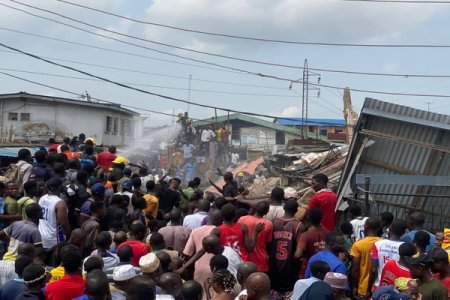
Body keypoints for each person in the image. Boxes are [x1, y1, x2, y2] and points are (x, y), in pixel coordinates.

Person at [181, 210, 223, 300]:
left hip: (199, 270)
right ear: (219, 219)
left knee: (199, 294)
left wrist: (188, 266)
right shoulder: (219, 230)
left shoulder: (196, 231)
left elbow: (187, 252)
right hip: (215, 269)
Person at [269, 199, 303, 297]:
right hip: (289, 267)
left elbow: (268, 244)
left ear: (284, 208)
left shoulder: (273, 222)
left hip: (273, 265)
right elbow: (298, 251)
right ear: (296, 210)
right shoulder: (299, 226)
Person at [370, 219, 407, 290]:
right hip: (396, 289)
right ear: (403, 233)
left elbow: (373, 270)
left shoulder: (378, 244)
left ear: (390, 228)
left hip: (378, 287)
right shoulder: (405, 247)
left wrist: (369, 288)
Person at [350, 216, 382, 298]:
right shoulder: (383, 243)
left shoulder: (358, 245)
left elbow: (355, 269)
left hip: (362, 288)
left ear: (365, 227)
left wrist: (354, 287)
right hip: (378, 288)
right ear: (378, 228)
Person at [238, 201, 273, 273]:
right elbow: (268, 242)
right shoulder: (268, 224)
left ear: (256, 209)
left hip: (244, 258)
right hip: (260, 259)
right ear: (266, 212)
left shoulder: (242, 219)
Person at [38, 177, 71, 249]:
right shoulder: (59, 203)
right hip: (54, 239)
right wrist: (69, 236)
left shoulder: (42, 198)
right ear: (59, 187)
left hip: (41, 236)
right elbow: (64, 224)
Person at [295, 207, 326, 278]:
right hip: (323, 269)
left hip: (307, 269)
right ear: (321, 219)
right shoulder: (326, 233)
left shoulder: (306, 235)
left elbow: (298, 254)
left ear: (308, 219)